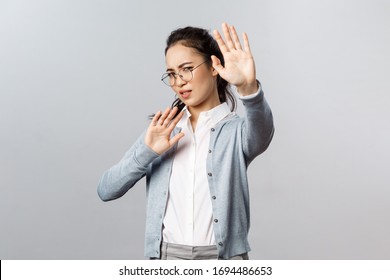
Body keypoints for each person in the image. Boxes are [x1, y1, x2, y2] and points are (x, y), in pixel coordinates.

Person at [97, 23, 274, 260]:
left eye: (187, 69)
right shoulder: (163, 131)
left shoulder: (236, 131)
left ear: (214, 66)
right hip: (166, 258)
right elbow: (106, 189)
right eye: (171, 74)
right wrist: (148, 152)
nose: (179, 81)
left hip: (223, 259)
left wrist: (248, 88)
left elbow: (262, 132)